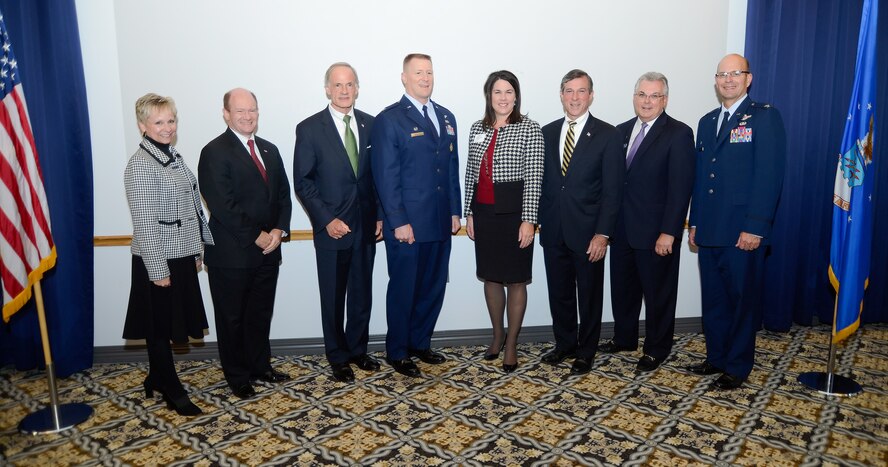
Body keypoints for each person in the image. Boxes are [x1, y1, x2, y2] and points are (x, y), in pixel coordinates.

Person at [687, 54, 786, 390]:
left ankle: (738, 366)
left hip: (743, 229)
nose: (728, 79)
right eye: (722, 74)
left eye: (735, 73)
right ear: (715, 81)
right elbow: (702, 178)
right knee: (714, 300)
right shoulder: (707, 121)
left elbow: (769, 176)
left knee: (742, 302)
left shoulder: (763, 118)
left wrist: (756, 226)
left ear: (749, 78)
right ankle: (716, 358)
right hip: (711, 228)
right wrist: (695, 223)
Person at [371, 53, 462, 378]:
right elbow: (385, 175)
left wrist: (455, 210)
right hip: (407, 224)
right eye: (418, 72)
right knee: (404, 288)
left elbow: (451, 168)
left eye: (429, 72)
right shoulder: (390, 119)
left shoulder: (446, 116)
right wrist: (398, 220)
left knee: (433, 285)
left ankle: (420, 343)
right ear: (404, 77)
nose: (425, 78)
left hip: (439, 221)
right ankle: (398, 350)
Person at [198, 88, 293, 399]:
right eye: (240, 111)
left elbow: (282, 197)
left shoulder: (269, 150)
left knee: (259, 313)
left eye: (252, 110)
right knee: (232, 317)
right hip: (231, 254)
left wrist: (279, 230)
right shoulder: (214, 151)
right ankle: (237, 376)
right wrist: (257, 235)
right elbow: (222, 204)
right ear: (226, 114)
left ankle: (260, 366)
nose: (247, 116)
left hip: (268, 251)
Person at [123, 93, 213, 416]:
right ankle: (170, 387)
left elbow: (190, 208)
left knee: (165, 323)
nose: (167, 127)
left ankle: (156, 377)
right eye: (158, 121)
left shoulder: (172, 156)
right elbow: (145, 224)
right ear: (142, 125)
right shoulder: (141, 165)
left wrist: (196, 251)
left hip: (181, 256)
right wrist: (157, 269)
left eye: (171, 120)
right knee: (158, 327)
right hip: (157, 260)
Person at [293, 63, 382, 383]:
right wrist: (326, 220)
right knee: (333, 296)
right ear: (327, 89)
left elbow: (377, 177)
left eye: (350, 85)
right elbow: (303, 182)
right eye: (338, 85)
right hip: (331, 229)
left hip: (366, 226)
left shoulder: (372, 125)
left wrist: (381, 216)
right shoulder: (309, 129)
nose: (344, 91)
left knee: (361, 293)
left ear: (357, 88)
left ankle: (358, 350)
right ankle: (337, 356)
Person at [602, 72, 696, 372]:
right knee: (623, 291)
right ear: (634, 97)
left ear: (664, 100)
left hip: (657, 234)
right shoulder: (620, 131)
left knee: (658, 295)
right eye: (642, 94)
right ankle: (624, 338)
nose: (647, 101)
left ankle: (657, 348)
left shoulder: (679, 134)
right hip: (622, 230)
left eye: (654, 96)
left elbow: (680, 189)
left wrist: (669, 232)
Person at [538, 69, 624, 375]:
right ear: (561, 95)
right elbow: (543, 183)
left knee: (589, 295)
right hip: (553, 230)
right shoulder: (546, 132)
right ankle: (565, 344)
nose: (575, 98)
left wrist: (603, 234)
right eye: (569, 91)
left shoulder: (608, 135)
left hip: (589, 234)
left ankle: (586, 351)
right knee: (558, 293)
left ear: (591, 96)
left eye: (581, 91)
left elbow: (613, 192)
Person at [463, 70, 544, 373]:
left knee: (516, 279)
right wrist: (469, 211)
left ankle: (511, 344)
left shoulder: (529, 128)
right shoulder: (476, 128)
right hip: (484, 213)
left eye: (509, 91)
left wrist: (529, 220)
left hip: (514, 214)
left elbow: (535, 177)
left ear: (516, 96)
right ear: (489, 95)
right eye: (498, 92)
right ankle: (497, 334)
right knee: (491, 277)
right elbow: (471, 172)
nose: (503, 97)